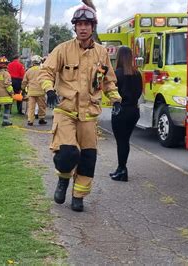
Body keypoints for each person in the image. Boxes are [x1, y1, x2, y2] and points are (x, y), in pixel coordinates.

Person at [38, 5, 122, 212]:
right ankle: (63, 180)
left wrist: (116, 99)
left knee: (88, 157)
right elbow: (46, 72)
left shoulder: (102, 54)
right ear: (75, 28)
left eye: (87, 24)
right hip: (65, 110)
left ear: (93, 27)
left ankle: (78, 196)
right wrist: (49, 90)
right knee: (67, 153)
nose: (83, 28)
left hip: (89, 114)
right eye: (79, 24)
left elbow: (109, 81)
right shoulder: (63, 49)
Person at [110, 46, 143, 182]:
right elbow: (140, 91)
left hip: (121, 110)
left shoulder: (117, 73)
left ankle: (122, 170)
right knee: (125, 141)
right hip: (133, 110)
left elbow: (111, 91)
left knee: (121, 142)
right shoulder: (137, 74)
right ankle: (121, 168)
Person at [22, 55, 47, 126]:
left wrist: (23, 89)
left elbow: (24, 81)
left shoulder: (29, 71)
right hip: (40, 91)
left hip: (31, 92)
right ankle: (42, 118)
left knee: (31, 107)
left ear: (32, 62)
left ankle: (30, 120)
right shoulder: (42, 70)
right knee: (42, 106)